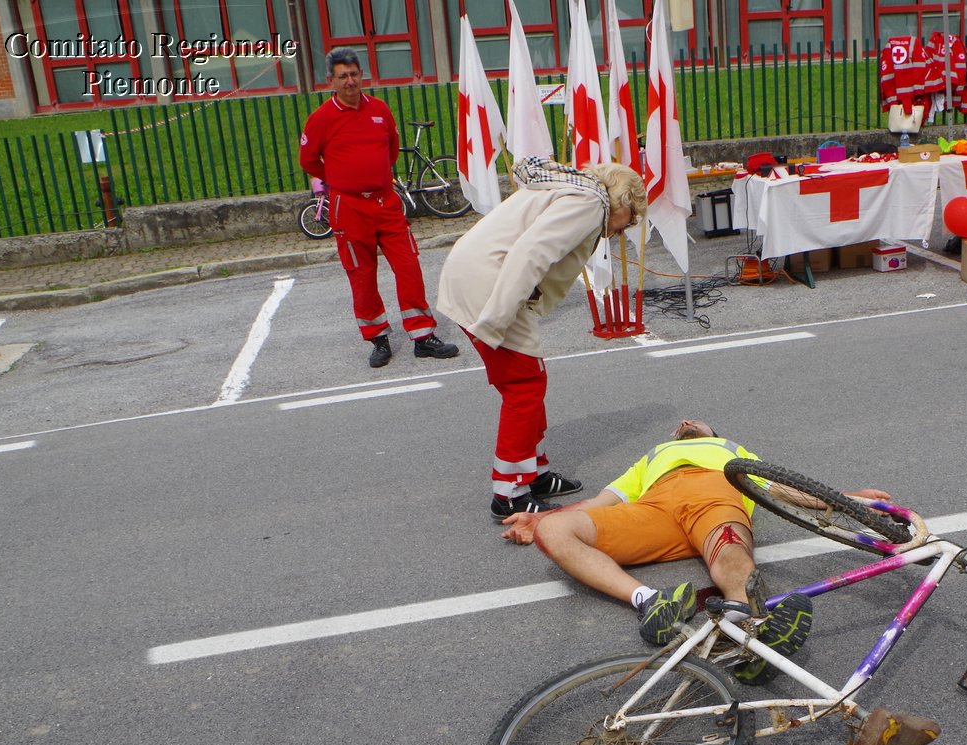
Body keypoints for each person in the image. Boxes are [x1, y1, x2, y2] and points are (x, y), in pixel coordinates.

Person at [499, 418, 889, 684]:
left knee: (734, 556)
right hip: (653, 511)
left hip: (714, 497)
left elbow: (779, 488)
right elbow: (600, 501)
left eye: (695, 423)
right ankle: (649, 602)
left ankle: (755, 640)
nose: (686, 423)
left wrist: (845, 501)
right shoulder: (652, 457)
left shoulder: (729, 449)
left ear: (711, 433)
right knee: (554, 528)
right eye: (681, 425)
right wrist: (538, 522)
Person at [437, 157, 647, 520]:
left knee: (526, 381)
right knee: (524, 385)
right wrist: (497, 319)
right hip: (492, 287)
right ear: (623, 202)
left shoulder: (572, 188)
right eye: (632, 218)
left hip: (478, 275)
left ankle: (533, 471)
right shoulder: (589, 204)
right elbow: (530, 253)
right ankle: (509, 492)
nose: (626, 227)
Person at [299, 47, 460, 369]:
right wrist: (344, 178)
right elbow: (308, 161)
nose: (350, 82)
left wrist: (373, 176)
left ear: (362, 75)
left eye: (354, 74)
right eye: (342, 76)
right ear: (331, 81)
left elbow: (390, 150)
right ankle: (378, 338)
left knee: (409, 265)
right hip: (350, 207)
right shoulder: (321, 119)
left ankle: (423, 336)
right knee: (362, 274)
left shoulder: (380, 109)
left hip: (386, 202)